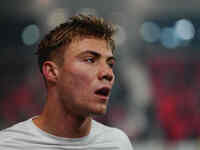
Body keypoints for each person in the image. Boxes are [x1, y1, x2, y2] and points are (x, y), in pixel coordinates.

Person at [0, 14, 133, 150]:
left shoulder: (117, 143)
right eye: (90, 60)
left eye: (110, 64)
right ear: (51, 72)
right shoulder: (7, 145)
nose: (108, 73)